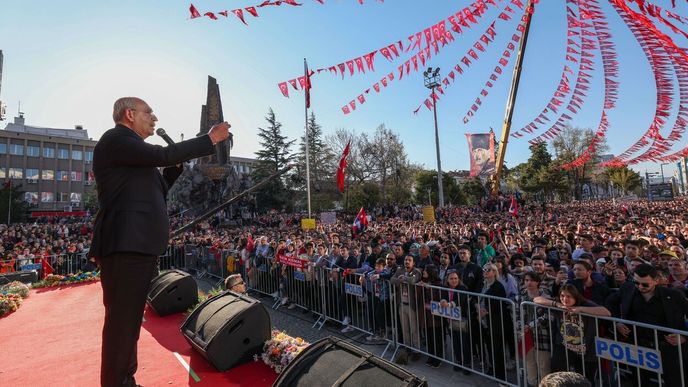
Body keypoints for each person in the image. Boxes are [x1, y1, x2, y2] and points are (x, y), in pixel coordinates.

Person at [90, 97, 230, 387]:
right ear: (129, 114)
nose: (154, 118)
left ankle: (124, 380)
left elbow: (154, 190)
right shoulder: (117, 139)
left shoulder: (131, 153)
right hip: (125, 244)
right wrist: (209, 139)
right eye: (148, 113)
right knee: (122, 325)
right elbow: (162, 155)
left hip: (136, 245)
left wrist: (173, 170)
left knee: (128, 324)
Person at [606, 263, 688, 387]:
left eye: (645, 284)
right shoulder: (628, 289)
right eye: (636, 283)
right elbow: (610, 302)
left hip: (668, 348)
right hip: (638, 347)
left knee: (675, 382)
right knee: (639, 381)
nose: (640, 287)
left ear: (656, 281)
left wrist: (684, 337)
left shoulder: (674, 295)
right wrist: (617, 322)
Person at [535, 284, 611, 385]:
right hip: (564, 346)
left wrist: (580, 309)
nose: (565, 299)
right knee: (557, 375)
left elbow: (606, 312)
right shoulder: (559, 303)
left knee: (584, 379)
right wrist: (556, 304)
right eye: (562, 296)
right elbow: (536, 299)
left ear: (576, 296)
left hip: (586, 349)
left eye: (569, 296)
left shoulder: (586, 303)